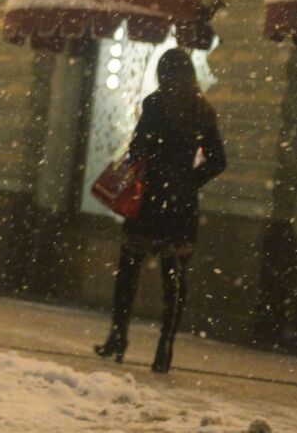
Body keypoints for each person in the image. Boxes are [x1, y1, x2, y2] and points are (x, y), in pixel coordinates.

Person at [94, 48, 227, 373]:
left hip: (150, 199)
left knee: (129, 269)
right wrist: (188, 181)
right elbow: (218, 160)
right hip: (181, 206)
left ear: (163, 74)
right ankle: (165, 347)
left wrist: (142, 164)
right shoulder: (202, 110)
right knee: (174, 277)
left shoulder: (155, 104)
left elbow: (139, 147)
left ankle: (118, 336)